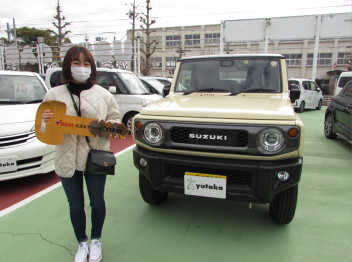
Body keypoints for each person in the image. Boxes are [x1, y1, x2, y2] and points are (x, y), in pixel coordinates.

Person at [42, 46, 120, 262]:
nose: (81, 68)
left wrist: (109, 126)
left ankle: (96, 240)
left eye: (86, 64)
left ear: (92, 68)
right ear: (68, 65)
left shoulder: (103, 94)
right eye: (76, 63)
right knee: (75, 204)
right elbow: (44, 132)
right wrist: (44, 121)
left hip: (95, 156)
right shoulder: (53, 94)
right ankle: (81, 243)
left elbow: (115, 119)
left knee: (97, 201)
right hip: (66, 157)